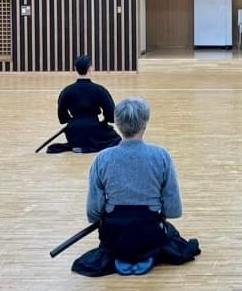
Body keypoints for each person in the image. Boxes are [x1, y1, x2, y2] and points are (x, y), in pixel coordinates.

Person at [71, 98, 200, 277]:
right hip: (150, 230)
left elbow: (93, 212)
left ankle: (123, 255)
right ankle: (148, 254)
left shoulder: (102, 158)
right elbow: (173, 210)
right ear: (144, 124)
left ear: (117, 124)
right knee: (169, 235)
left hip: (115, 234)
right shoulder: (161, 156)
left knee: (119, 235)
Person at [49, 55, 121, 154]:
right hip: (94, 130)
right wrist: (103, 122)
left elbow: (62, 117)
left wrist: (73, 122)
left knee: (78, 137)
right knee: (117, 140)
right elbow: (111, 116)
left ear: (75, 69)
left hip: (74, 132)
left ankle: (79, 146)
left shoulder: (67, 91)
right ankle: (89, 148)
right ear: (90, 69)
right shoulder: (99, 90)